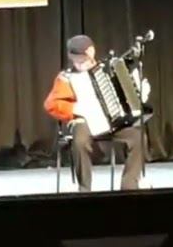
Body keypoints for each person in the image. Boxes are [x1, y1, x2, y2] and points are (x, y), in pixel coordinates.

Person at [44, 34, 149, 191]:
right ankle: (85, 189)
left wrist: (140, 94)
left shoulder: (108, 69)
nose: (79, 65)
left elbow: (126, 96)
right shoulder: (66, 77)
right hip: (84, 122)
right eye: (76, 62)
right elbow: (51, 104)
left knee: (138, 137)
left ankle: (129, 186)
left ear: (91, 52)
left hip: (114, 121)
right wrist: (75, 110)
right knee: (80, 141)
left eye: (83, 61)